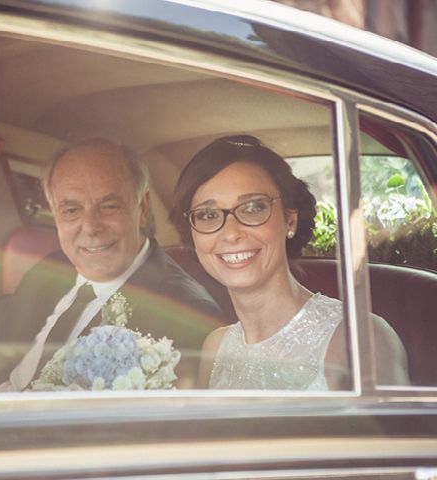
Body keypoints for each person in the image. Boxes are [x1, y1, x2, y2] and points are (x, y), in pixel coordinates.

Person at [0, 139, 227, 391]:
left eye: (109, 207)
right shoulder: (54, 267)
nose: (91, 227)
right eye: (71, 210)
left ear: (141, 209)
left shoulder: (188, 314)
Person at [170, 134, 409, 390]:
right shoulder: (215, 347)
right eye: (207, 215)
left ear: (290, 220)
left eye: (252, 208)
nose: (230, 233)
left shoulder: (360, 338)